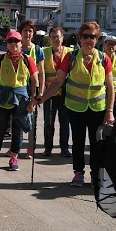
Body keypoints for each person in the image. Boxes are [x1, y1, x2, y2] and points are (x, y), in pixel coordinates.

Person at [36, 21, 114, 187]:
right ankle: (78, 174)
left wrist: (110, 111)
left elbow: (110, 87)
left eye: (92, 36)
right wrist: (41, 98)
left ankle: (95, 175)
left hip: (97, 109)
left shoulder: (103, 59)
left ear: (97, 39)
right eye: (85, 36)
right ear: (79, 38)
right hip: (75, 107)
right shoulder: (70, 57)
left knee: (96, 144)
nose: (88, 39)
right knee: (78, 142)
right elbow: (58, 82)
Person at [0, 31, 39, 171]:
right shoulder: (0, 59)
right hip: (3, 99)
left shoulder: (28, 60)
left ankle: (14, 158)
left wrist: (33, 101)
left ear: (21, 43)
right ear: (7, 44)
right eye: (10, 41)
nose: (13, 44)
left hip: (21, 100)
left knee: (18, 131)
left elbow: (35, 80)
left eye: (16, 41)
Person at [13, 20, 44, 159]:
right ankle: (15, 148)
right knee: (15, 119)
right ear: (20, 32)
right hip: (16, 90)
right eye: (25, 30)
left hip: (31, 89)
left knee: (31, 119)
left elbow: (41, 72)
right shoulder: (14, 47)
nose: (27, 33)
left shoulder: (37, 50)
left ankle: (30, 148)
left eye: (30, 31)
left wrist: (41, 91)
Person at [41, 26, 72, 157]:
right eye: (52, 37)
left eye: (58, 37)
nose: (55, 40)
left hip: (66, 94)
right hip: (49, 93)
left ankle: (64, 148)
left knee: (65, 122)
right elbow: (40, 72)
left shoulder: (71, 52)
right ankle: (48, 147)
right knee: (49, 122)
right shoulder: (44, 52)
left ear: (62, 38)